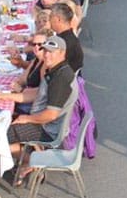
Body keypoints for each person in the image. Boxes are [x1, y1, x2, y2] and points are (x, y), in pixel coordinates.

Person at [6, 35, 78, 184]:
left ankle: (35, 162)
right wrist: (7, 97)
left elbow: (51, 115)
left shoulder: (62, 78)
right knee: (5, 130)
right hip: (42, 122)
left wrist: (27, 119)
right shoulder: (54, 69)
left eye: (51, 52)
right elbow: (37, 93)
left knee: (1, 136)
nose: (46, 54)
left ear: (62, 53)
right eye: (45, 51)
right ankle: (30, 159)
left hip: (48, 130)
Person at [50, 3, 83, 72]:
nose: (49, 20)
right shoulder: (68, 36)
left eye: (51, 17)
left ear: (58, 19)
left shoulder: (63, 43)